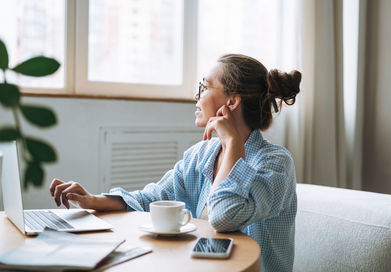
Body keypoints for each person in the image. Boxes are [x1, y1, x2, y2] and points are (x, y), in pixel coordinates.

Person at [49, 54, 301, 272]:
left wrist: (234, 143)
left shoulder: (275, 164)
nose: (196, 94)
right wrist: (93, 200)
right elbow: (155, 197)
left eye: (204, 86)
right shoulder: (201, 154)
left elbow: (223, 217)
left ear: (232, 102)